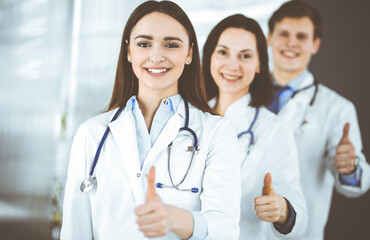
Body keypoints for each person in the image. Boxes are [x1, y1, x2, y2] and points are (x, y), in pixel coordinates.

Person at [60, 1, 241, 239]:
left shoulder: (216, 132)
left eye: (171, 45)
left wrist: (176, 219)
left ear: (189, 54)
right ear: (128, 52)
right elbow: (75, 231)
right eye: (144, 44)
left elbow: (226, 230)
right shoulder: (91, 134)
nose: (156, 56)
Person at [267, 1, 370, 239]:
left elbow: (357, 183)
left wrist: (350, 167)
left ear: (315, 45)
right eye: (284, 34)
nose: (291, 43)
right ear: (269, 38)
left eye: (301, 36)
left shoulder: (337, 108)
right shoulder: (242, 97)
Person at [202, 14, 307, 239]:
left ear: (260, 64)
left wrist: (282, 210)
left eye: (245, 56)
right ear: (210, 56)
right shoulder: (189, 121)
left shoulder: (274, 129)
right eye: (223, 52)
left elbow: (301, 220)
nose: (232, 65)